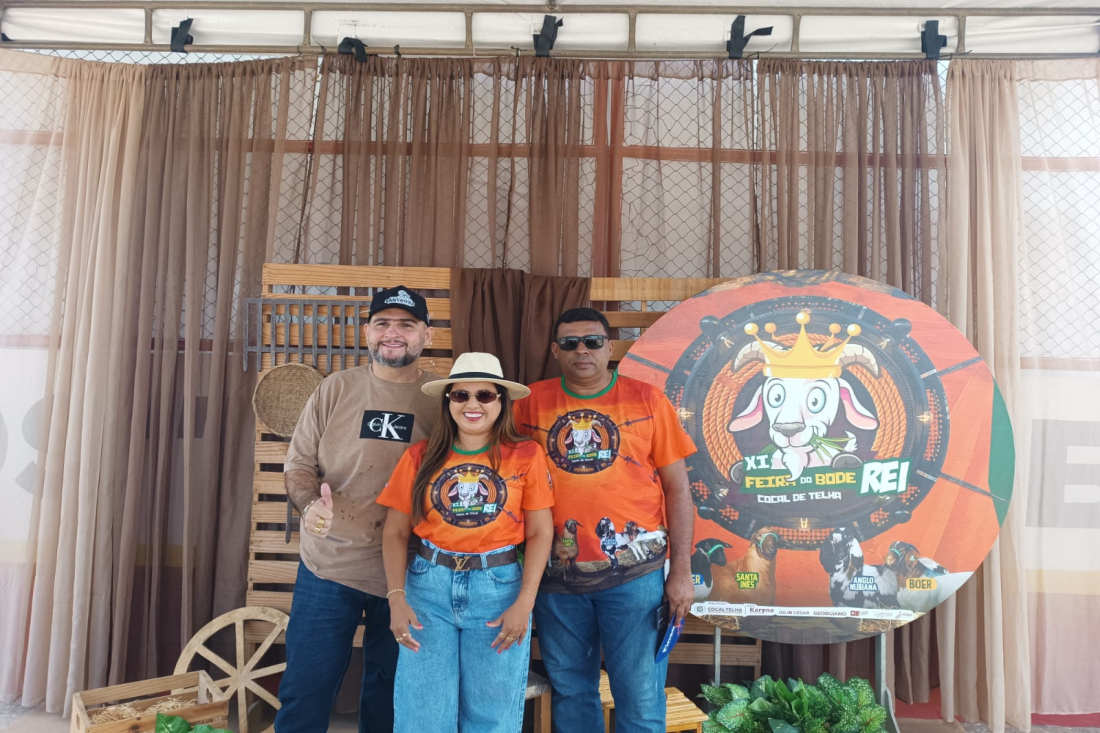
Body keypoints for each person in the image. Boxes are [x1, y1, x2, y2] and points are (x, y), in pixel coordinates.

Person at [514, 307, 697, 733]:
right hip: (555, 577)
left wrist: (682, 571)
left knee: (640, 695)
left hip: (635, 577)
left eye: (593, 341)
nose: (582, 350)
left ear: (609, 347)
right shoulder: (527, 404)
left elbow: (678, 488)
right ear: (555, 350)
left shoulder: (647, 400)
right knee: (571, 692)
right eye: (570, 343)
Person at [276, 286, 441, 733]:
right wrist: (310, 505)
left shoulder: (442, 399)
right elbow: (298, 465)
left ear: (426, 335)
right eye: (383, 323)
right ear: (367, 332)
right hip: (328, 565)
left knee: (389, 695)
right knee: (305, 689)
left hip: (407, 573)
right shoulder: (336, 388)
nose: (393, 333)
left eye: (407, 325)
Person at [378, 352, 555, 733]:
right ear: (448, 401)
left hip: (498, 587)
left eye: (484, 395)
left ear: (501, 402)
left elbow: (541, 532)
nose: (472, 404)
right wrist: (396, 598)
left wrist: (525, 602)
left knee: (493, 715)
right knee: (423, 712)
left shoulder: (526, 454)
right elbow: (395, 531)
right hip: (428, 586)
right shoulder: (420, 456)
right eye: (461, 395)